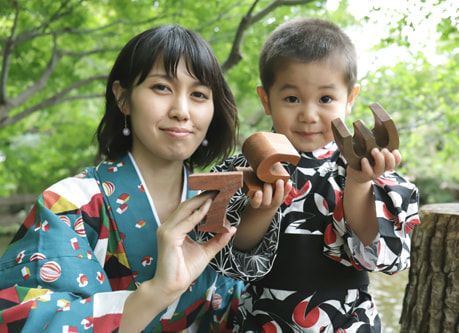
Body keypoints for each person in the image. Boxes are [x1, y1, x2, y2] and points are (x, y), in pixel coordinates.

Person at [0, 24, 246, 332]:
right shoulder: (69, 204)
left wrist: (260, 224)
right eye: (161, 88)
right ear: (123, 98)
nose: (182, 111)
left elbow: (242, 311)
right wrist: (157, 293)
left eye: (198, 94)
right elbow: (31, 319)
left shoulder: (216, 207)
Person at [204, 18, 421, 332]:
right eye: (292, 99)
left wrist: (359, 183)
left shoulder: (360, 167)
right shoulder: (244, 169)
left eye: (325, 99)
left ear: (350, 99)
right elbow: (229, 260)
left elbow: (378, 257)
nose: (308, 114)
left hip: (345, 320)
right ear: (266, 99)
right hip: (261, 318)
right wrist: (262, 209)